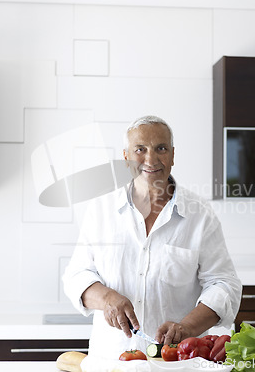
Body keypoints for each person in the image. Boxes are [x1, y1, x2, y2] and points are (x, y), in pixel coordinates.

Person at [63, 115, 242, 359]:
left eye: (161, 148)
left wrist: (188, 327)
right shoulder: (101, 210)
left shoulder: (201, 215)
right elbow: (76, 276)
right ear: (126, 157)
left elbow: (224, 285)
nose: (151, 159)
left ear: (173, 155)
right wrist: (107, 299)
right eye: (140, 149)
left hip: (178, 362)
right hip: (112, 360)